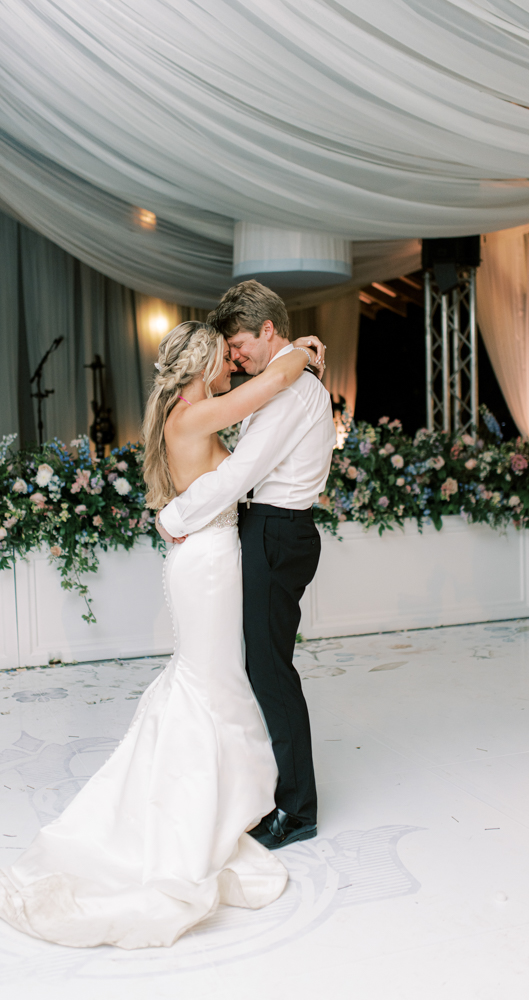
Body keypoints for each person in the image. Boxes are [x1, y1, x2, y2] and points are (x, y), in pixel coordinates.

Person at [0, 319, 324, 950]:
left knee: (208, 676)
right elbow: (273, 381)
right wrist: (300, 351)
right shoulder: (196, 412)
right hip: (209, 563)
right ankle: (210, 802)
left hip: (206, 556)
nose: (230, 365)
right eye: (222, 357)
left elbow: (258, 400)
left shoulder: (187, 412)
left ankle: (229, 792)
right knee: (209, 679)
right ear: (199, 367)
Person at [158, 281, 336, 851]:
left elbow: (241, 474)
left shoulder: (292, 388)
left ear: (267, 330)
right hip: (271, 529)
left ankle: (297, 809)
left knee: (268, 671)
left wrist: (175, 517)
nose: (234, 356)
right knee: (259, 666)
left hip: (275, 531)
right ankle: (276, 792)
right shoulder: (282, 379)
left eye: (239, 344)